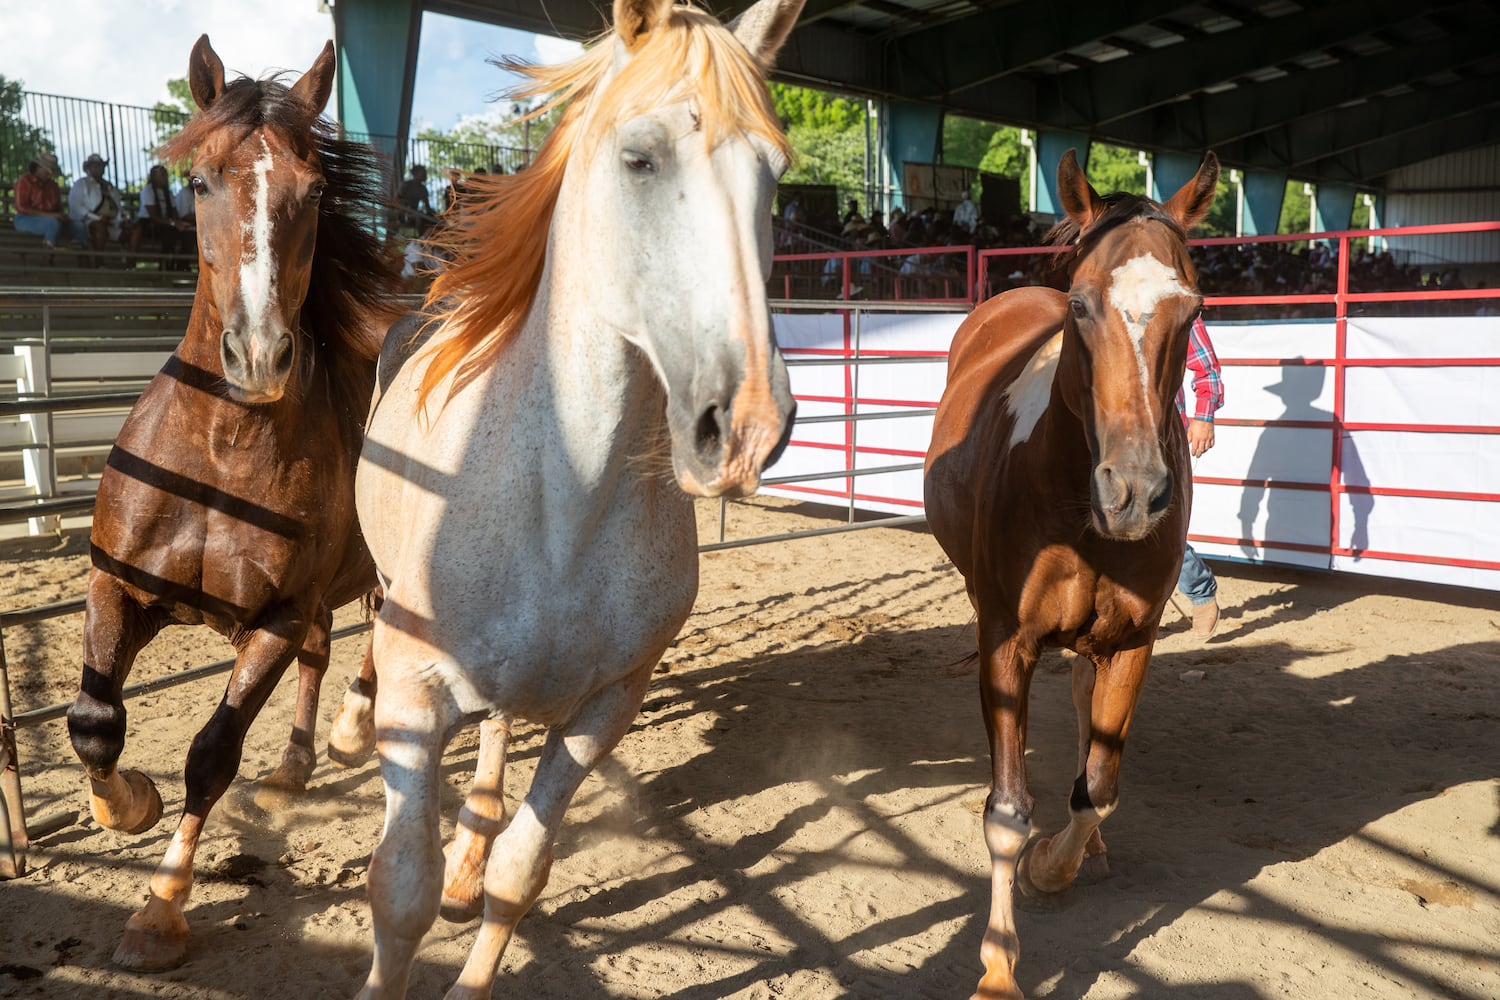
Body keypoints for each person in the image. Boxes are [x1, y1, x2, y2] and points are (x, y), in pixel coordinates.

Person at [1177, 314, 1224, 638]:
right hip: (1106, 431)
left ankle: (1200, 593)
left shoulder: (1178, 308)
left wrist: (1203, 417)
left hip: (1161, 434)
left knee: (1156, 524)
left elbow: (1205, 366)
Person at [68, 152, 126, 261]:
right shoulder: (81, 184)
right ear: (88, 168)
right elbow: (76, 207)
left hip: (112, 222)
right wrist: (97, 218)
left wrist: (121, 219)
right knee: (99, 227)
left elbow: (117, 205)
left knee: (134, 231)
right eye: (96, 166)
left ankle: (130, 266)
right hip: (88, 222)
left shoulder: (110, 187)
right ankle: (99, 262)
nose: (100, 168)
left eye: (101, 166)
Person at [12, 151, 73, 248]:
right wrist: (51, 215)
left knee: (78, 226)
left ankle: (83, 253)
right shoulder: (24, 181)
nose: (50, 174)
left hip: (52, 219)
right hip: (25, 219)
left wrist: (62, 216)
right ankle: (48, 250)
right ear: (38, 168)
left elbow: (58, 207)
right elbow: (21, 208)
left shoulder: (53, 186)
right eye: (47, 171)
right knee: (52, 223)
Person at [131, 164, 191, 261]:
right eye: (162, 175)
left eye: (165, 174)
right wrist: (173, 223)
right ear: (154, 177)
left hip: (166, 224)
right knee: (168, 234)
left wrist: (179, 223)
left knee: (186, 233)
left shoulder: (168, 192)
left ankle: (180, 264)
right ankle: (165, 264)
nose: (165, 177)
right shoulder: (148, 190)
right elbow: (153, 216)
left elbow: (174, 211)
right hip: (148, 223)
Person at [397, 163, 434, 235]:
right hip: (403, 214)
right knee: (419, 217)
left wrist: (435, 215)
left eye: (424, 172)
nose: (424, 174)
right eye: (422, 172)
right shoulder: (406, 185)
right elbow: (396, 201)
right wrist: (405, 212)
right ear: (415, 173)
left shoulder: (423, 189)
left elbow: (427, 207)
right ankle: (421, 239)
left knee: (429, 218)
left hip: (414, 213)